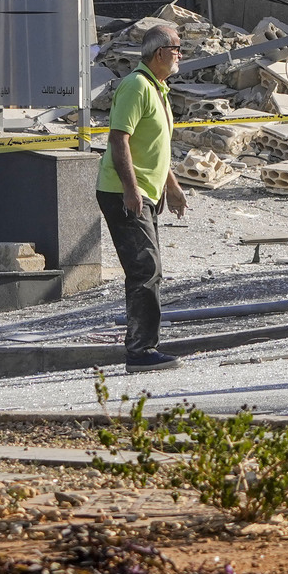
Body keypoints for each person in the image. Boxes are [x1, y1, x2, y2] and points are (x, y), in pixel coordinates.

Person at [97, 20, 188, 369]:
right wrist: (132, 191)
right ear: (161, 52)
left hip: (145, 192)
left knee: (150, 269)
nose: (180, 55)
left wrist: (173, 186)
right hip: (124, 193)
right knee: (144, 269)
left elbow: (150, 146)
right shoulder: (136, 86)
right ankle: (140, 351)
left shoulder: (157, 88)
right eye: (177, 49)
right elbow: (119, 139)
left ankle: (144, 347)